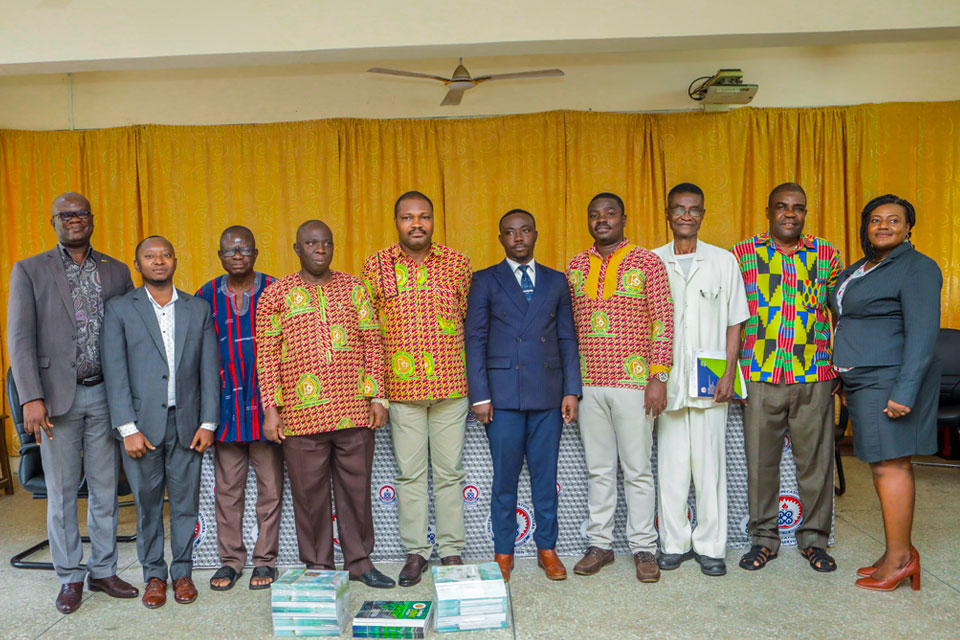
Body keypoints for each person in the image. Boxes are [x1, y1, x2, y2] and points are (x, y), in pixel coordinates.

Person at [6, 192, 138, 614]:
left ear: (92, 219)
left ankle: (103, 570)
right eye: (65, 214)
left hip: (106, 394)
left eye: (81, 213)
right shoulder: (29, 270)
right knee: (62, 493)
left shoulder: (116, 271)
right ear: (54, 222)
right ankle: (69, 576)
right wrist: (31, 397)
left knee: (105, 489)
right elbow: (19, 339)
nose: (74, 219)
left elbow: (131, 333)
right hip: (54, 399)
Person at [257, 220, 394, 589]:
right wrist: (271, 409)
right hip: (301, 417)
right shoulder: (276, 294)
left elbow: (373, 343)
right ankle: (318, 566)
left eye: (326, 243)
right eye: (311, 243)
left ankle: (360, 563)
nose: (320, 249)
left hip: (354, 411)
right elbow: (267, 355)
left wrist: (377, 396)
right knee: (309, 497)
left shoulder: (354, 288)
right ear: (296, 248)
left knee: (356, 492)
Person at [101, 236, 220, 608]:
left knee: (185, 504)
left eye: (165, 255)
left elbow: (209, 370)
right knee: (148, 505)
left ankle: (182, 573)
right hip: (141, 428)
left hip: (188, 425)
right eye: (150, 256)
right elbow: (114, 371)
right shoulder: (120, 309)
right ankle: (154, 574)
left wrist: (208, 423)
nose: (158, 261)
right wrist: (127, 428)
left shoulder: (198, 309)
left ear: (175, 261)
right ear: (137, 264)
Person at [830, 195, 941, 591]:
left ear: (909, 228)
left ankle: (900, 560)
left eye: (894, 220)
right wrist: (846, 376)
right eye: (876, 220)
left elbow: (923, 333)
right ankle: (898, 549)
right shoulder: (864, 267)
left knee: (891, 466)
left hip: (889, 379)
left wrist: (904, 391)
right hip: (864, 378)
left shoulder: (917, 267)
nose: (883, 226)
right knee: (881, 464)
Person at [731, 183, 843, 573]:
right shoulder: (742, 254)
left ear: (805, 213)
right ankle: (764, 539)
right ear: (768, 211)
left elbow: (841, 312)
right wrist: (731, 374)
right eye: (782, 206)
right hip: (759, 374)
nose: (790, 214)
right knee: (760, 463)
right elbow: (730, 317)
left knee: (816, 463)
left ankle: (815, 540)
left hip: (814, 373)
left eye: (798, 207)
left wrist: (840, 367)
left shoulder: (826, 254)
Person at [362, 191, 472, 587]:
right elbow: (370, 332)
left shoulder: (458, 263)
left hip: (451, 385)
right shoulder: (375, 265)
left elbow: (467, 319)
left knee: (449, 473)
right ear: (396, 222)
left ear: (433, 220)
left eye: (424, 216)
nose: (417, 224)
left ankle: (451, 549)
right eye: (408, 217)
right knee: (410, 475)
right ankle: (416, 552)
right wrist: (377, 393)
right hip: (401, 391)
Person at [465, 209, 581, 582]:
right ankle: (504, 551)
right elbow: (475, 339)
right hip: (502, 398)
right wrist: (479, 395)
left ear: (535, 234)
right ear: (501, 238)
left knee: (546, 479)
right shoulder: (484, 280)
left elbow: (567, 337)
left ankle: (547, 549)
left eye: (525, 230)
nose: (518, 237)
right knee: (505, 479)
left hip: (548, 394)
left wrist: (572, 389)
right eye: (510, 232)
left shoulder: (556, 280)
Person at [566, 192, 674, 583]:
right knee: (598, 470)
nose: (602, 220)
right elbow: (568, 329)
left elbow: (663, 321)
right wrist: (570, 385)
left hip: (634, 382)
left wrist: (658, 377)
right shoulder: (575, 266)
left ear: (624, 219)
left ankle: (644, 547)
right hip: (589, 383)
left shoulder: (648, 262)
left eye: (610, 213)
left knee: (637, 470)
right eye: (595, 214)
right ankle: (600, 544)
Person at [652, 183, 748, 577]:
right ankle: (673, 544)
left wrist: (728, 372)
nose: (686, 216)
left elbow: (735, 321)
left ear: (703, 215)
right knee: (671, 468)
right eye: (679, 209)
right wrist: (654, 378)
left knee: (710, 469)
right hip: (668, 377)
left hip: (711, 376)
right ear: (668, 214)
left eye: (694, 209)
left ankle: (711, 547)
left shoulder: (724, 261)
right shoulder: (652, 261)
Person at [195, 226, 283, 591]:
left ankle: (265, 560)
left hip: (266, 407)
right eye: (230, 251)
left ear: (256, 254)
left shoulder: (276, 289)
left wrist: (278, 406)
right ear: (219, 256)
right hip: (226, 408)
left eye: (244, 249)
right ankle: (230, 561)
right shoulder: (205, 296)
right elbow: (197, 356)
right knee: (228, 490)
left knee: (270, 488)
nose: (237, 256)